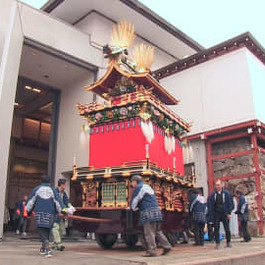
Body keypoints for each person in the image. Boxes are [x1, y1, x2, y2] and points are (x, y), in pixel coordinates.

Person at [130, 175, 171, 257]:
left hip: (148, 212)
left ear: (135, 182)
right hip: (156, 211)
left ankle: (152, 251)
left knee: (149, 232)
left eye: (132, 182)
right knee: (157, 231)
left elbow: (135, 199)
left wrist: (132, 208)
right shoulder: (147, 186)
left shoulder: (139, 187)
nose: (132, 184)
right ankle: (167, 246)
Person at [26, 175, 66, 258]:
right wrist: (63, 211)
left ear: (41, 181)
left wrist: (28, 211)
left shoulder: (37, 189)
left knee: (41, 230)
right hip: (51, 214)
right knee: (47, 230)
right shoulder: (52, 190)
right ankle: (44, 248)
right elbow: (58, 202)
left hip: (40, 213)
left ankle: (47, 248)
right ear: (49, 182)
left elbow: (31, 201)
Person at [207, 180, 234, 249]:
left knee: (227, 228)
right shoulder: (213, 195)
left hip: (225, 213)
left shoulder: (226, 194)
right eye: (216, 185)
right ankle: (217, 242)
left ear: (222, 185)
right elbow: (210, 205)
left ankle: (228, 241)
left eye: (218, 185)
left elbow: (230, 203)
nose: (217, 186)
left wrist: (229, 213)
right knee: (216, 228)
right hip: (216, 213)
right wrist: (211, 215)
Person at [52, 178, 75, 251]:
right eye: (64, 184)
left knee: (61, 229)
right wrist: (65, 209)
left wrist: (70, 206)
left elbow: (66, 200)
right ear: (61, 185)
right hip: (55, 213)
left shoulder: (63, 193)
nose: (65, 186)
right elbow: (58, 202)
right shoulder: (55, 192)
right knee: (55, 228)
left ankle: (56, 244)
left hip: (62, 213)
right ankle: (59, 244)